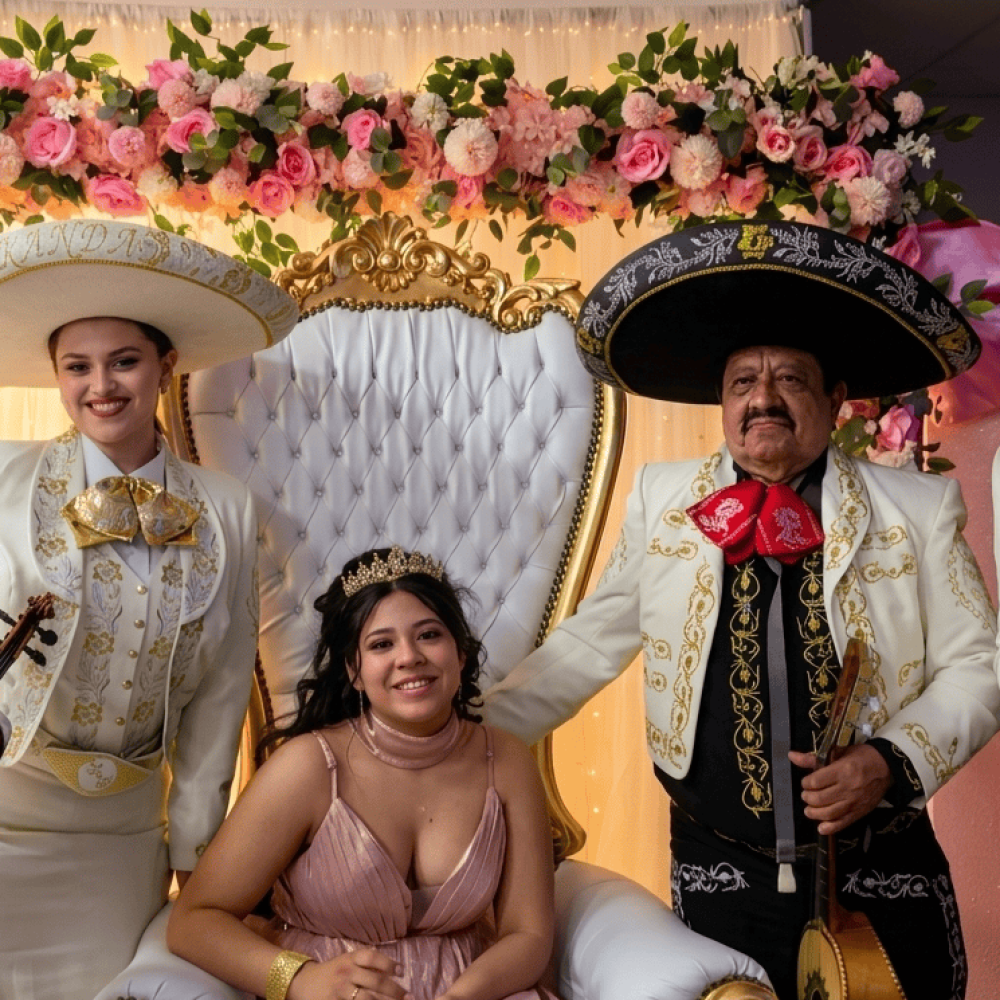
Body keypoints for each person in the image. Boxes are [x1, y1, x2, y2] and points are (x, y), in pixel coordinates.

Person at [485, 220, 1000, 1000]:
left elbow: (981, 666)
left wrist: (889, 763)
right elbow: (587, 646)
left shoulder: (918, 508)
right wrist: (461, 736)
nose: (763, 399)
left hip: (882, 861)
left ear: (835, 398)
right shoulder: (664, 500)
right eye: (741, 384)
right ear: (722, 405)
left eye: (790, 379)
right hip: (721, 863)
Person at [0, 218, 298, 1000]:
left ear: (166, 367)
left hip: (123, 843)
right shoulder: (3, 478)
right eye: (78, 366)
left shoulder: (227, 509)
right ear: (56, 376)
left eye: (125, 361)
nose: (101, 385)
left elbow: (219, 698)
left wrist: (198, 862)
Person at [167, 545, 558, 1000]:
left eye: (429, 635)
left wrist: (459, 998)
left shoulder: (506, 762)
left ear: (461, 654)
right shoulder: (308, 767)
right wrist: (300, 979)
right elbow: (192, 921)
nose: (409, 657)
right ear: (354, 670)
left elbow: (528, 934)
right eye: (381, 644)